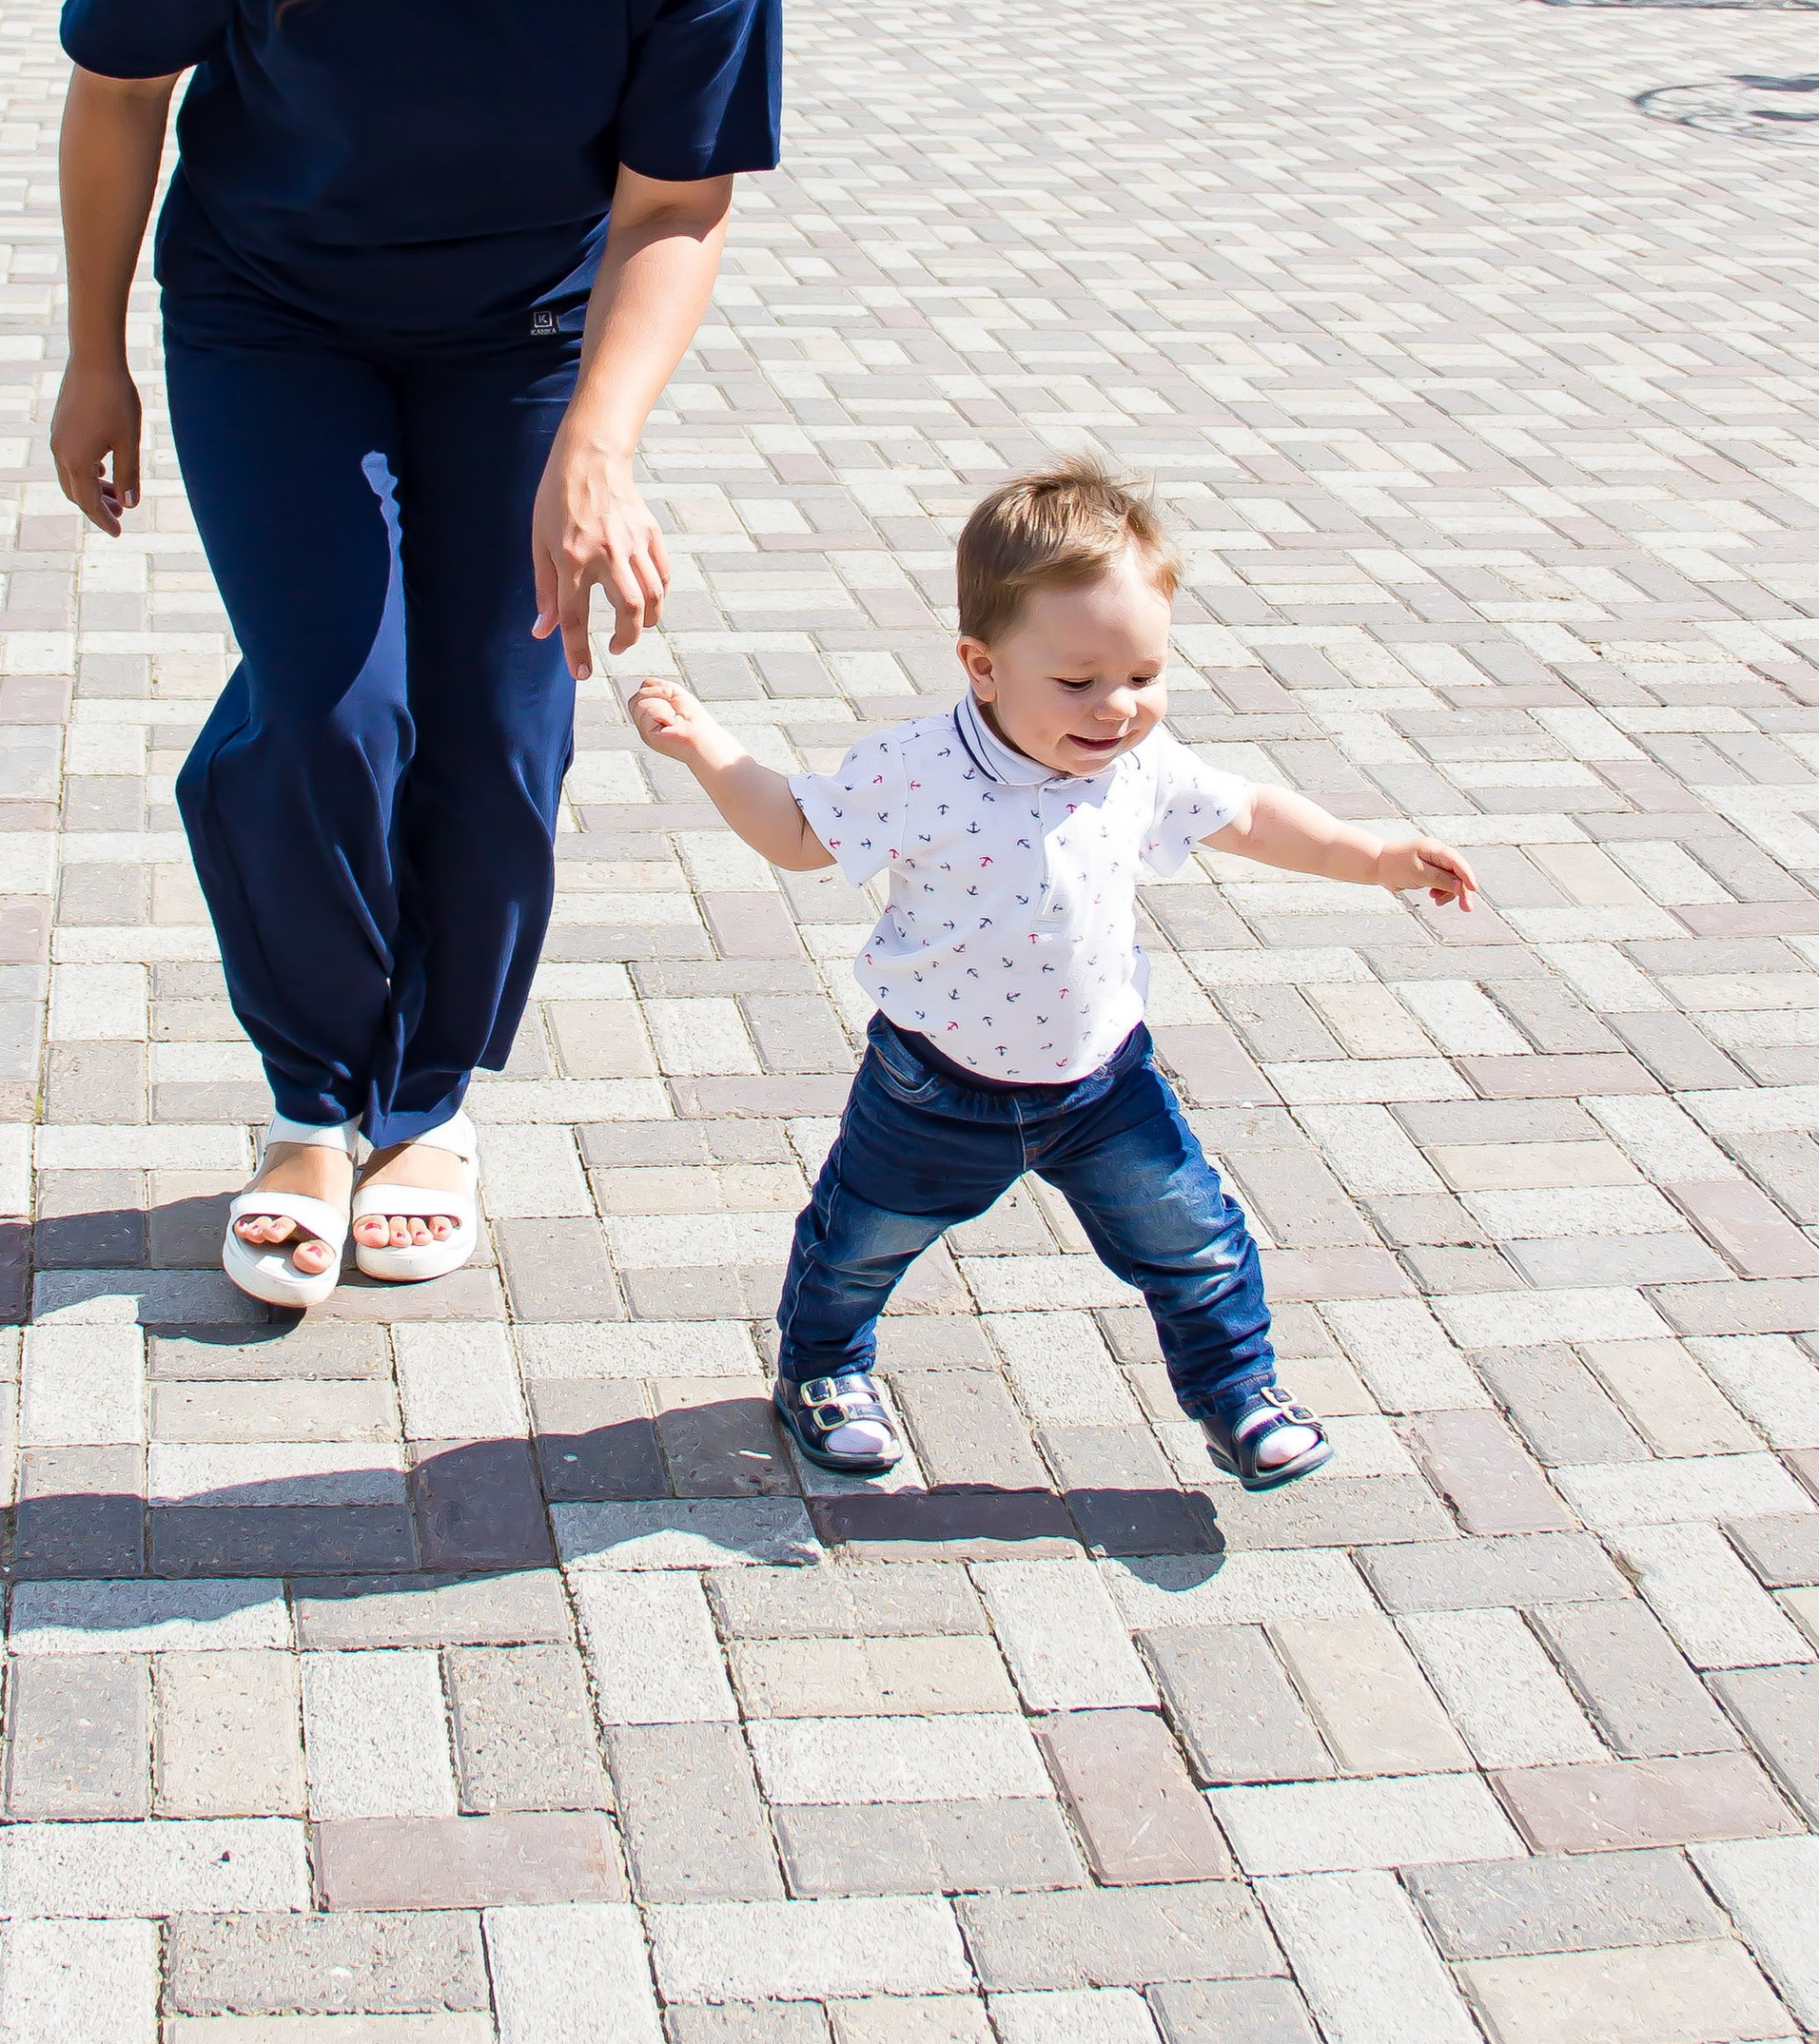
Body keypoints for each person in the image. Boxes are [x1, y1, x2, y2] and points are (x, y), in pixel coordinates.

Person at [53, 0, 784, 1308]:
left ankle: (429, 1098)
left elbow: (677, 202)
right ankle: (310, 1096)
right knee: (328, 702)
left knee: (499, 722)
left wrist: (599, 447)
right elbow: (119, 87)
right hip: (270, 321)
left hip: (518, 341)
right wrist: (93, 360)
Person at [631, 459, 1477, 1488]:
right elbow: (803, 832)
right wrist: (710, 749)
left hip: (1103, 1082)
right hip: (934, 1085)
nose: (1115, 707)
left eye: (1143, 675)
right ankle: (823, 1367)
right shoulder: (920, 767)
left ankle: (1237, 1389)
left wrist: (1375, 856)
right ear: (981, 665)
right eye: (1076, 681)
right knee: (856, 1242)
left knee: (1194, 1237)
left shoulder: (1136, 763)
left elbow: (1249, 814)